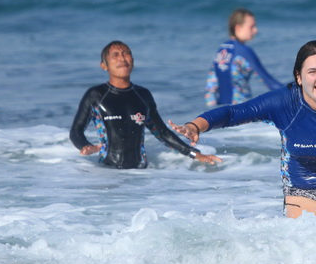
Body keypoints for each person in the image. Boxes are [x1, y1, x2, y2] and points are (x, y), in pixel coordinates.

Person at [172, 40, 316, 218]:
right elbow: (233, 113)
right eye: (312, 72)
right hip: (302, 190)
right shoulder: (283, 103)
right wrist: (195, 125)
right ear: (299, 78)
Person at [70, 40, 221, 169]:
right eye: (115, 55)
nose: (122, 58)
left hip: (141, 176)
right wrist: (85, 146)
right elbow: (76, 131)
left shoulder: (142, 95)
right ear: (104, 65)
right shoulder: (96, 95)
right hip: (108, 173)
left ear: (133, 60)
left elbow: (162, 133)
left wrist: (195, 154)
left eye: (126, 53)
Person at [204, 8, 283, 107]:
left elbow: (210, 88)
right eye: (252, 27)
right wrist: (295, 92)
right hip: (240, 112)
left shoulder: (221, 50)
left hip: (221, 112)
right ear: (238, 28)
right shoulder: (243, 51)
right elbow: (269, 82)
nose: (255, 30)